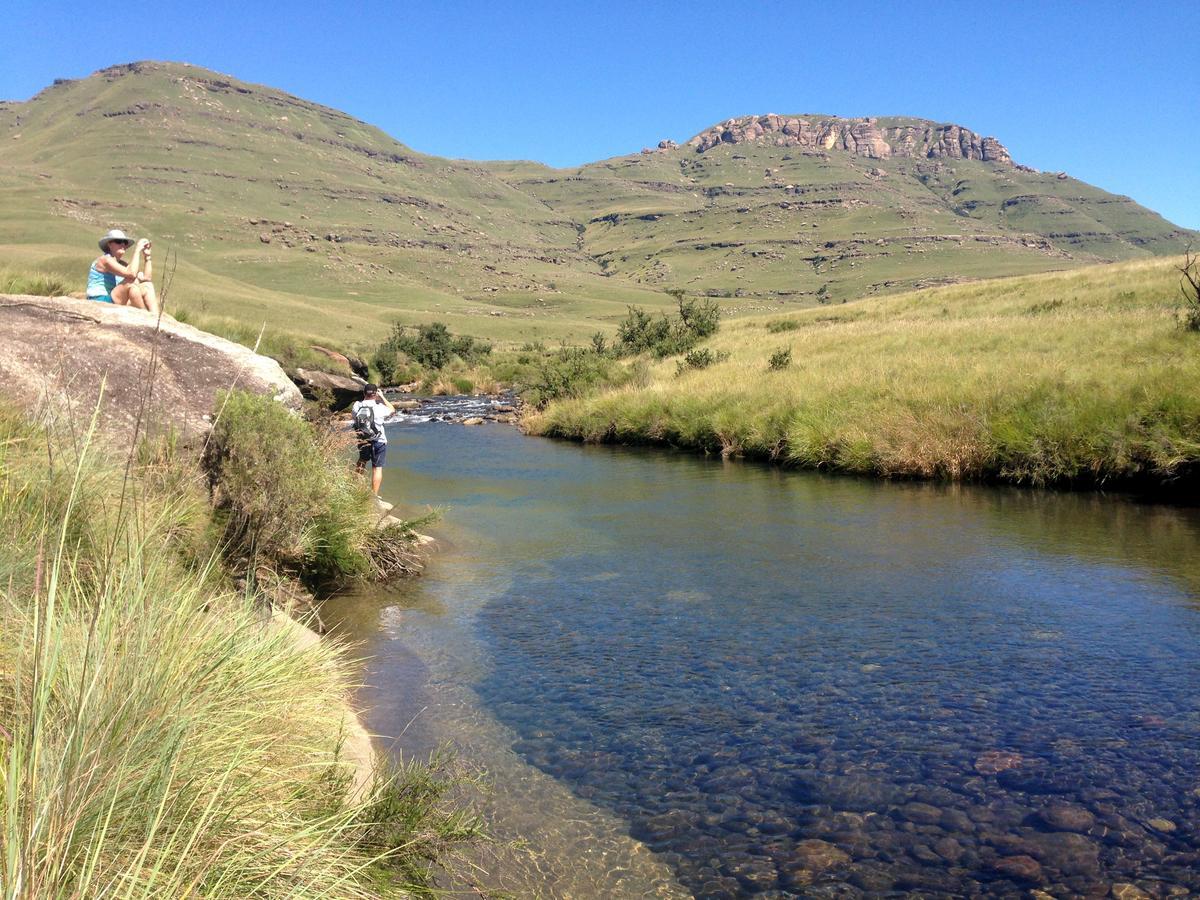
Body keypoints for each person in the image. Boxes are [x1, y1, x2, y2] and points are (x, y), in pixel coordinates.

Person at [86, 228, 160, 314]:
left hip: (114, 299)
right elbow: (131, 274)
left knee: (147, 286)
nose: (122, 245)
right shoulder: (105, 260)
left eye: (124, 242)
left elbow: (146, 278)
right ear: (109, 244)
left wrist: (147, 257)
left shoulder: (122, 264)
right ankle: (145, 317)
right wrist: (137, 251)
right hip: (100, 300)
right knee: (130, 284)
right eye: (118, 241)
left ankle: (155, 318)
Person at [352, 384, 395, 495]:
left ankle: (354, 489)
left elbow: (354, 418)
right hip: (379, 440)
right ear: (375, 394)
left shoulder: (357, 405)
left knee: (361, 462)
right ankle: (374, 496)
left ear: (364, 393)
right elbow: (392, 410)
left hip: (363, 439)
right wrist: (382, 397)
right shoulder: (380, 407)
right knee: (377, 468)